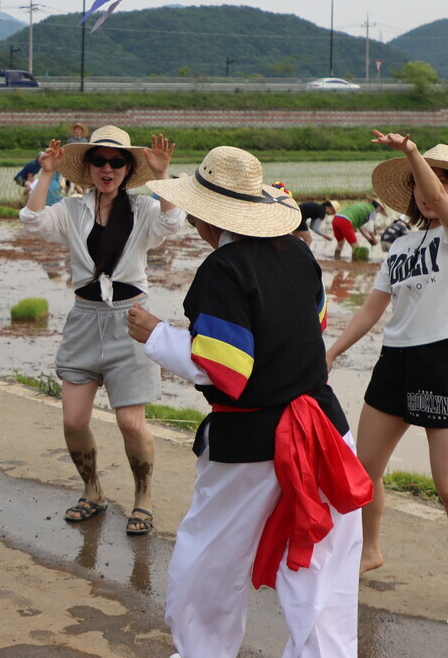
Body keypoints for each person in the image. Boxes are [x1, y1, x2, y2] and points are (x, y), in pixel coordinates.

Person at [126, 145, 370, 658]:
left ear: (207, 216)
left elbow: (227, 371)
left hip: (255, 441)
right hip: (324, 428)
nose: (192, 220)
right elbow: (314, 329)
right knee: (322, 572)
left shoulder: (223, 270)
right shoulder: (301, 253)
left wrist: (157, 335)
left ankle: (201, 651)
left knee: (210, 561)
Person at [325, 136, 448, 624]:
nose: (430, 191)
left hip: (441, 362)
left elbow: (441, 201)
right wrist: (334, 351)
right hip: (395, 361)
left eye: (443, 183)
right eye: (425, 182)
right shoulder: (401, 244)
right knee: (365, 471)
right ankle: (370, 550)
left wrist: (411, 153)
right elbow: (372, 308)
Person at [20, 126, 181, 537]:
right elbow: (34, 221)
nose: (107, 168)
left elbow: (173, 223)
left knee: (130, 421)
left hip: (131, 319)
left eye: (116, 161)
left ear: (128, 169)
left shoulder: (143, 209)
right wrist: (46, 174)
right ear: (88, 167)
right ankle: (92, 490)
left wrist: (162, 176)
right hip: (84, 319)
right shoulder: (73, 210)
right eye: (99, 160)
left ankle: (143, 497)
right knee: (73, 420)